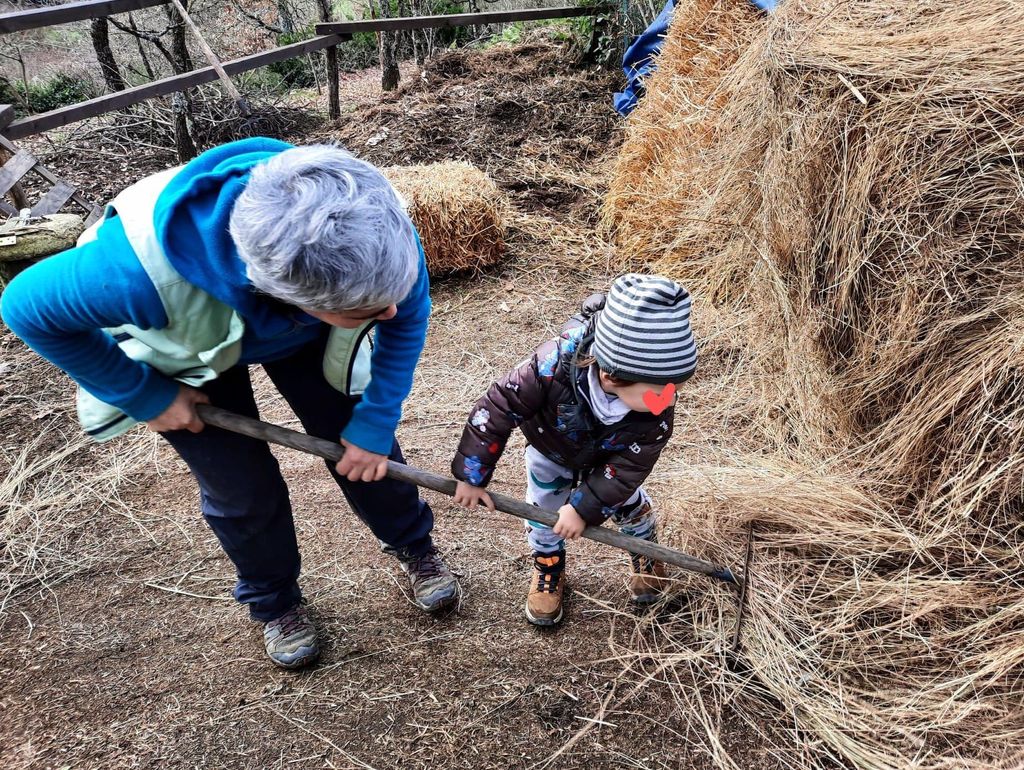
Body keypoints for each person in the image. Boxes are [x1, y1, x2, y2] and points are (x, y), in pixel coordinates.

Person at [0, 138, 459, 669]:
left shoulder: (371, 222)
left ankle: (413, 546)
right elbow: (24, 308)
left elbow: (407, 312)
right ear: (287, 297)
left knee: (361, 446)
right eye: (370, 308)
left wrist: (376, 421)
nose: (392, 308)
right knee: (240, 486)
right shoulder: (135, 278)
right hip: (187, 327)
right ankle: (274, 602)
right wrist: (144, 394)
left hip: (304, 326)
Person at [450, 274, 697, 625]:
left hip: (613, 463)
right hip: (550, 453)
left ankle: (645, 550)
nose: (668, 399)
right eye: (659, 390)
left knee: (629, 504)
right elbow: (498, 406)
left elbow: (628, 468)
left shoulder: (655, 412)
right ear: (612, 375)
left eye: (673, 387)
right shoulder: (549, 368)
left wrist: (584, 508)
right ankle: (548, 565)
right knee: (543, 512)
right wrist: (472, 474)